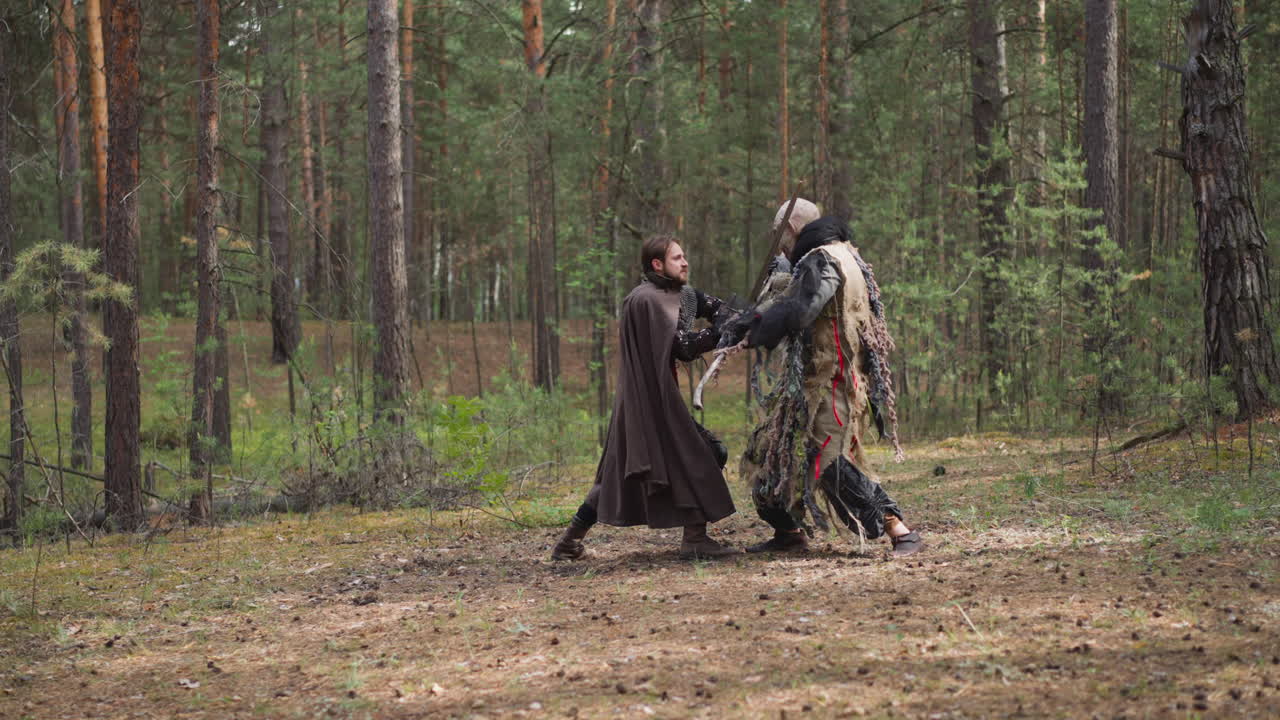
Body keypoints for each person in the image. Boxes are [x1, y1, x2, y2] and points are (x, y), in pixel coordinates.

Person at [731, 201, 924, 558]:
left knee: (828, 459)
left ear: (791, 229)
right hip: (813, 381)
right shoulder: (840, 253)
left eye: (780, 236)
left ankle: (898, 528)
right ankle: (788, 531)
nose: (780, 245)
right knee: (771, 452)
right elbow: (795, 297)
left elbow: (802, 309)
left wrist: (759, 328)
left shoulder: (823, 259)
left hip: (830, 379)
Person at [551, 235, 740, 560]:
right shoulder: (646, 300)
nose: (685, 262)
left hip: (659, 396)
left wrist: (733, 319)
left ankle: (692, 537)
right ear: (657, 264)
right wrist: (720, 333)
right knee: (689, 456)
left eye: (684, 257)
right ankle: (570, 542)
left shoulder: (678, 294)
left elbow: (716, 308)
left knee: (696, 454)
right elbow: (683, 346)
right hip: (645, 401)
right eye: (677, 258)